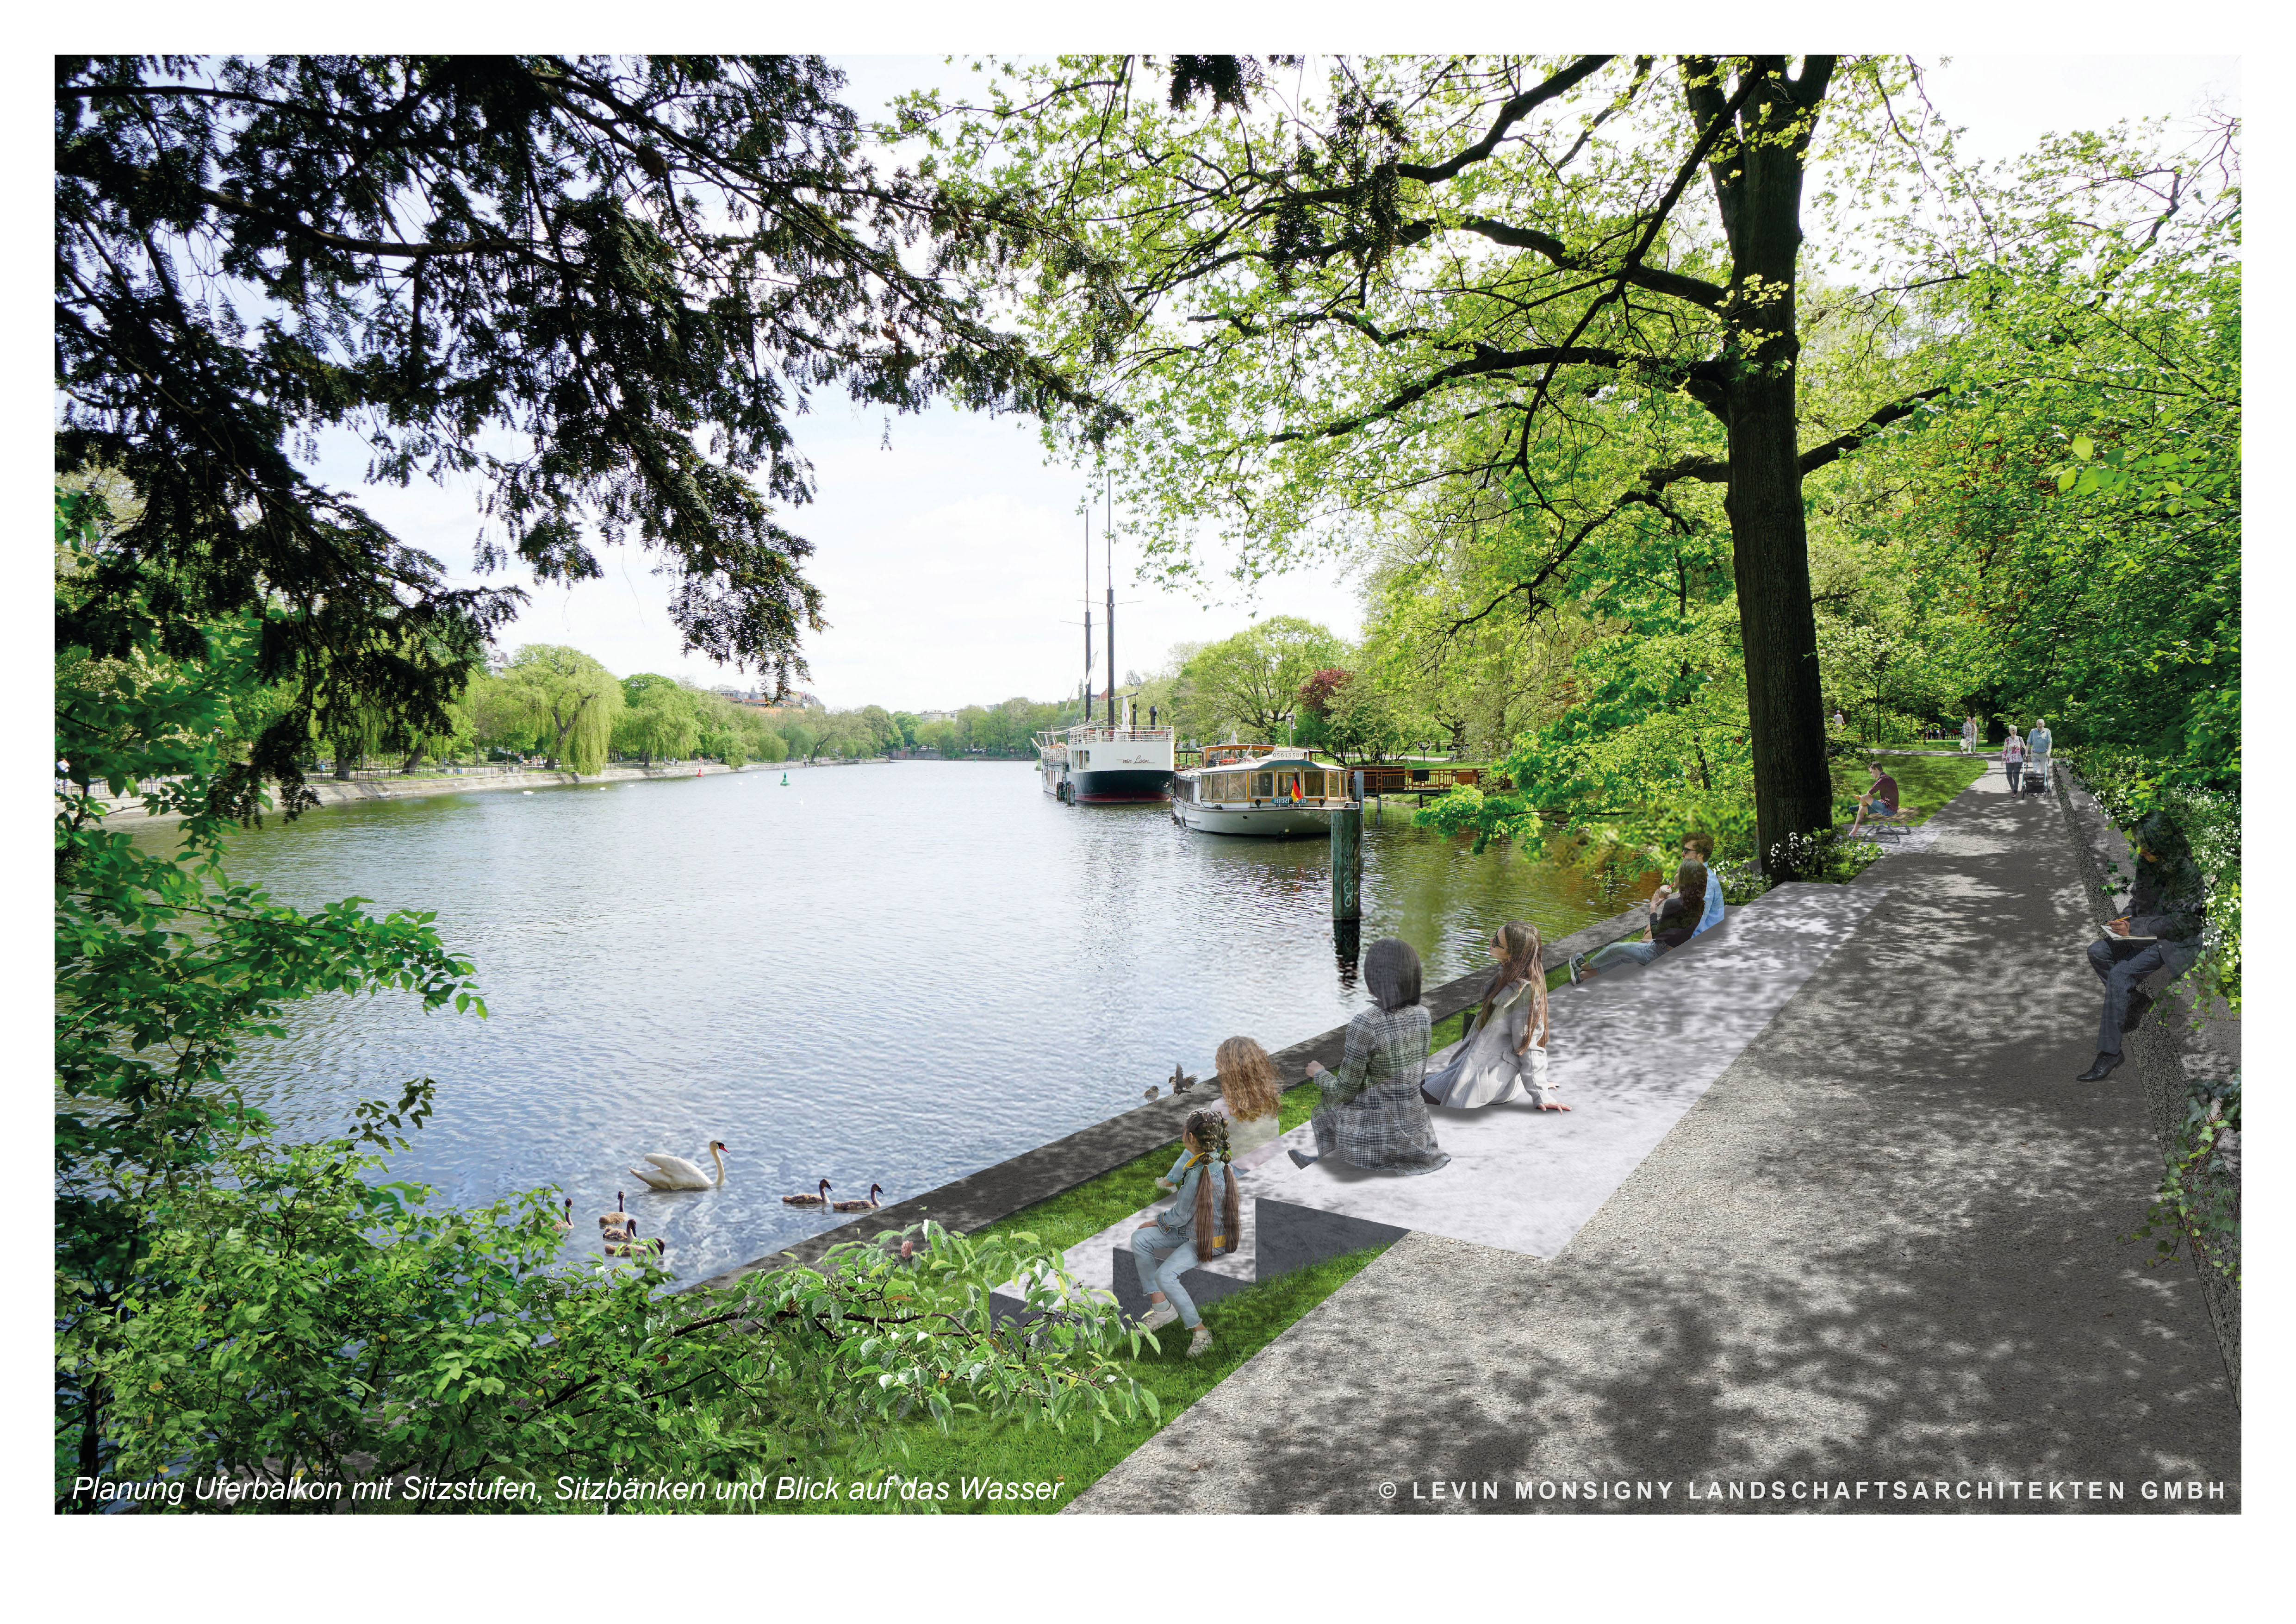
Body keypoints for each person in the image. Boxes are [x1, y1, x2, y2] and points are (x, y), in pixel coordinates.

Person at [1288, 937, 1449, 1174]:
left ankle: (1328, 1166)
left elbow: (1345, 1090)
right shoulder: (1422, 1014)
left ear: (1374, 978)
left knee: (1324, 1111)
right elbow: (1418, 1074)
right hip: (1415, 1125)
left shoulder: (1367, 1022)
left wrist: (1319, 1074)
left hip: (1375, 1133)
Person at [2076, 812, 2206, 1081]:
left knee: (2120, 975)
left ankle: (2111, 1053)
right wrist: (2125, 919)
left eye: (2146, 846)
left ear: (2163, 844)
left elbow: (2181, 922)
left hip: (2173, 941)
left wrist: (2135, 928)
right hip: (2145, 933)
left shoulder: (2187, 873)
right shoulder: (2148, 863)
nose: (2141, 851)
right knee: (2097, 952)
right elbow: (2138, 900)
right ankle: (2135, 999)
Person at [1422, 921, 1566, 1111]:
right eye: (1495, 936)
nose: (1490, 941)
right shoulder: (1505, 977)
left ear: (1512, 954)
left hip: (1485, 1078)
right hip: (1472, 1068)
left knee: (1400, 1094)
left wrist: (1540, 1093)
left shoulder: (1526, 993)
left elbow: (1530, 1047)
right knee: (1406, 1086)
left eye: (1497, 942)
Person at [1132, 1110, 1241, 1357]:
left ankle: (1201, 1332)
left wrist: (1155, 1221)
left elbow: (1179, 1216)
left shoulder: (1197, 1173)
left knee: (1166, 1275)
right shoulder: (1215, 1158)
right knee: (1140, 1241)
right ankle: (1162, 1309)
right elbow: (1186, 1215)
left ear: (1191, 1137)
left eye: (1184, 1132)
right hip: (1195, 1229)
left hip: (1207, 1239)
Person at [1570, 859, 1706, 981]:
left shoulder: (1675, 904)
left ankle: (1582, 966)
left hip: (1658, 953)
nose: (1675, 876)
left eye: (1677, 873)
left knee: (1615, 949)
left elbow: (1657, 933)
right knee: (1624, 956)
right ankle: (1582, 976)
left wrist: (1653, 908)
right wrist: (1652, 942)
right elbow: (1679, 934)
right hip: (1670, 950)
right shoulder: (1699, 905)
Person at [1206, 1035, 1285, 1157]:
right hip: (1279, 1161)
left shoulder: (1219, 1107)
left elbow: (1212, 1148)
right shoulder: (1268, 1095)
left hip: (1246, 1172)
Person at [1683, 832, 1726, 938]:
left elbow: (1695, 923)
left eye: (1687, 850)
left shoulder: (1705, 880)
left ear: (1700, 855)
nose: (1683, 853)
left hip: (1701, 939)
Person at [1846, 762, 1903, 837]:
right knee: (1862, 809)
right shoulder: (1886, 778)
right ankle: (1853, 834)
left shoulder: (1884, 779)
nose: (1871, 774)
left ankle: (1860, 806)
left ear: (1876, 769)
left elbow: (1869, 793)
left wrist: (1864, 799)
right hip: (1888, 807)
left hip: (1889, 810)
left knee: (1864, 797)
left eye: (1871, 772)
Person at [2024, 716, 2053, 793]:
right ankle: (2036, 790)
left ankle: (2043, 787)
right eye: (2038, 724)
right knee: (2036, 773)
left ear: (2044, 724)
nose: (2039, 726)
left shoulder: (2048, 731)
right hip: (2035, 754)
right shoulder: (2033, 731)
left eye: (2040, 724)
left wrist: (2049, 752)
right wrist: (2026, 753)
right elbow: (2028, 743)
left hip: (2044, 754)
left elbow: (2050, 743)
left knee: (2043, 772)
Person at [2002, 725, 2026, 793]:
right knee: (2009, 776)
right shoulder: (2007, 740)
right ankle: (2012, 788)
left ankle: (2015, 791)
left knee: (2016, 776)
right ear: (2010, 731)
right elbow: (2005, 750)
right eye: (2013, 730)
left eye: (2016, 730)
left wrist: (2027, 756)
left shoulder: (2020, 739)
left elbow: (2024, 748)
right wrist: (2002, 760)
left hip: (2018, 760)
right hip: (2009, 760)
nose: (2015, 731)